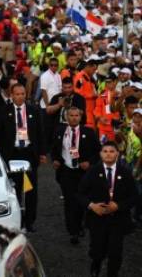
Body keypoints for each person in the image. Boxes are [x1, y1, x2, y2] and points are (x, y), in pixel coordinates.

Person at [78, 142, 137, 277]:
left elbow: (134, 196)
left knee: (115, 252)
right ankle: (96, 265)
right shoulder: (92, 172)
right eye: (105, 151)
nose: (108, 154)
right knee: (97, 250)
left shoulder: (125, 173)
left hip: (118, 220)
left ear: (117, 154)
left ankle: (112, 273)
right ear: (100, 154)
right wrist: (92, 206)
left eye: (112, 151)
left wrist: (119, 206)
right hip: (97, 219)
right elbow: (79, 194)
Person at [0, 83, 46, 232]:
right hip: (12, 154)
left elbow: (40, 132)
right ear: (12, 95)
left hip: (29, 154)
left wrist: (42, 153)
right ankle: (16, 220)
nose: (20, 96)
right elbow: (0, 135)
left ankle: (30, 221)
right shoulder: (4, 111)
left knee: (30, 188)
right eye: (17, 94)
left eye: (23, 94)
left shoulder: (33, 110)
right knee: (15, 188)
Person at [51, 107, 101, 244]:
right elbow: (55, 148)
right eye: (71, 115)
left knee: (82, 201)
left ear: (80, 117)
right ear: (66, 117)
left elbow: (98, 152)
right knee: (69, 201)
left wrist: (89, 163)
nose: (74, 118)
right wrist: (55, 160)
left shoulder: (88, 132)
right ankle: (72, 230)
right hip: (66, 171)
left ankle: (80, 225)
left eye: (76, 115)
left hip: (83, 173)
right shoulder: (60, 131)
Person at [74, 57, 99, 130]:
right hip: (85, 110)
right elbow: (77, 93)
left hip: (91, 110)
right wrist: (91, 95)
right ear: (88, 66)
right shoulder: (80, 77)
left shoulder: (89, 78)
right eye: (93, 69)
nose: (94, 72)